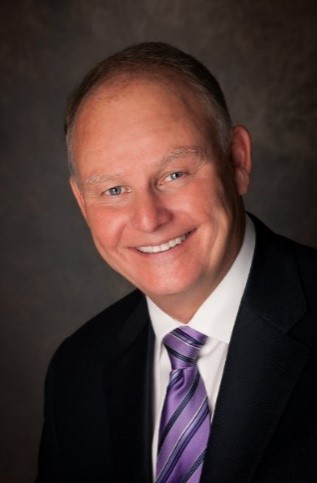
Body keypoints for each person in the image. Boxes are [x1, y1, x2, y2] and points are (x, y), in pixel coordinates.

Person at [36, 42, 317, 483]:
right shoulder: (77, 371)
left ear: (237, 161)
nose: (149, 219)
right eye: (113, 190)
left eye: (175, 174)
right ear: (81, 201)